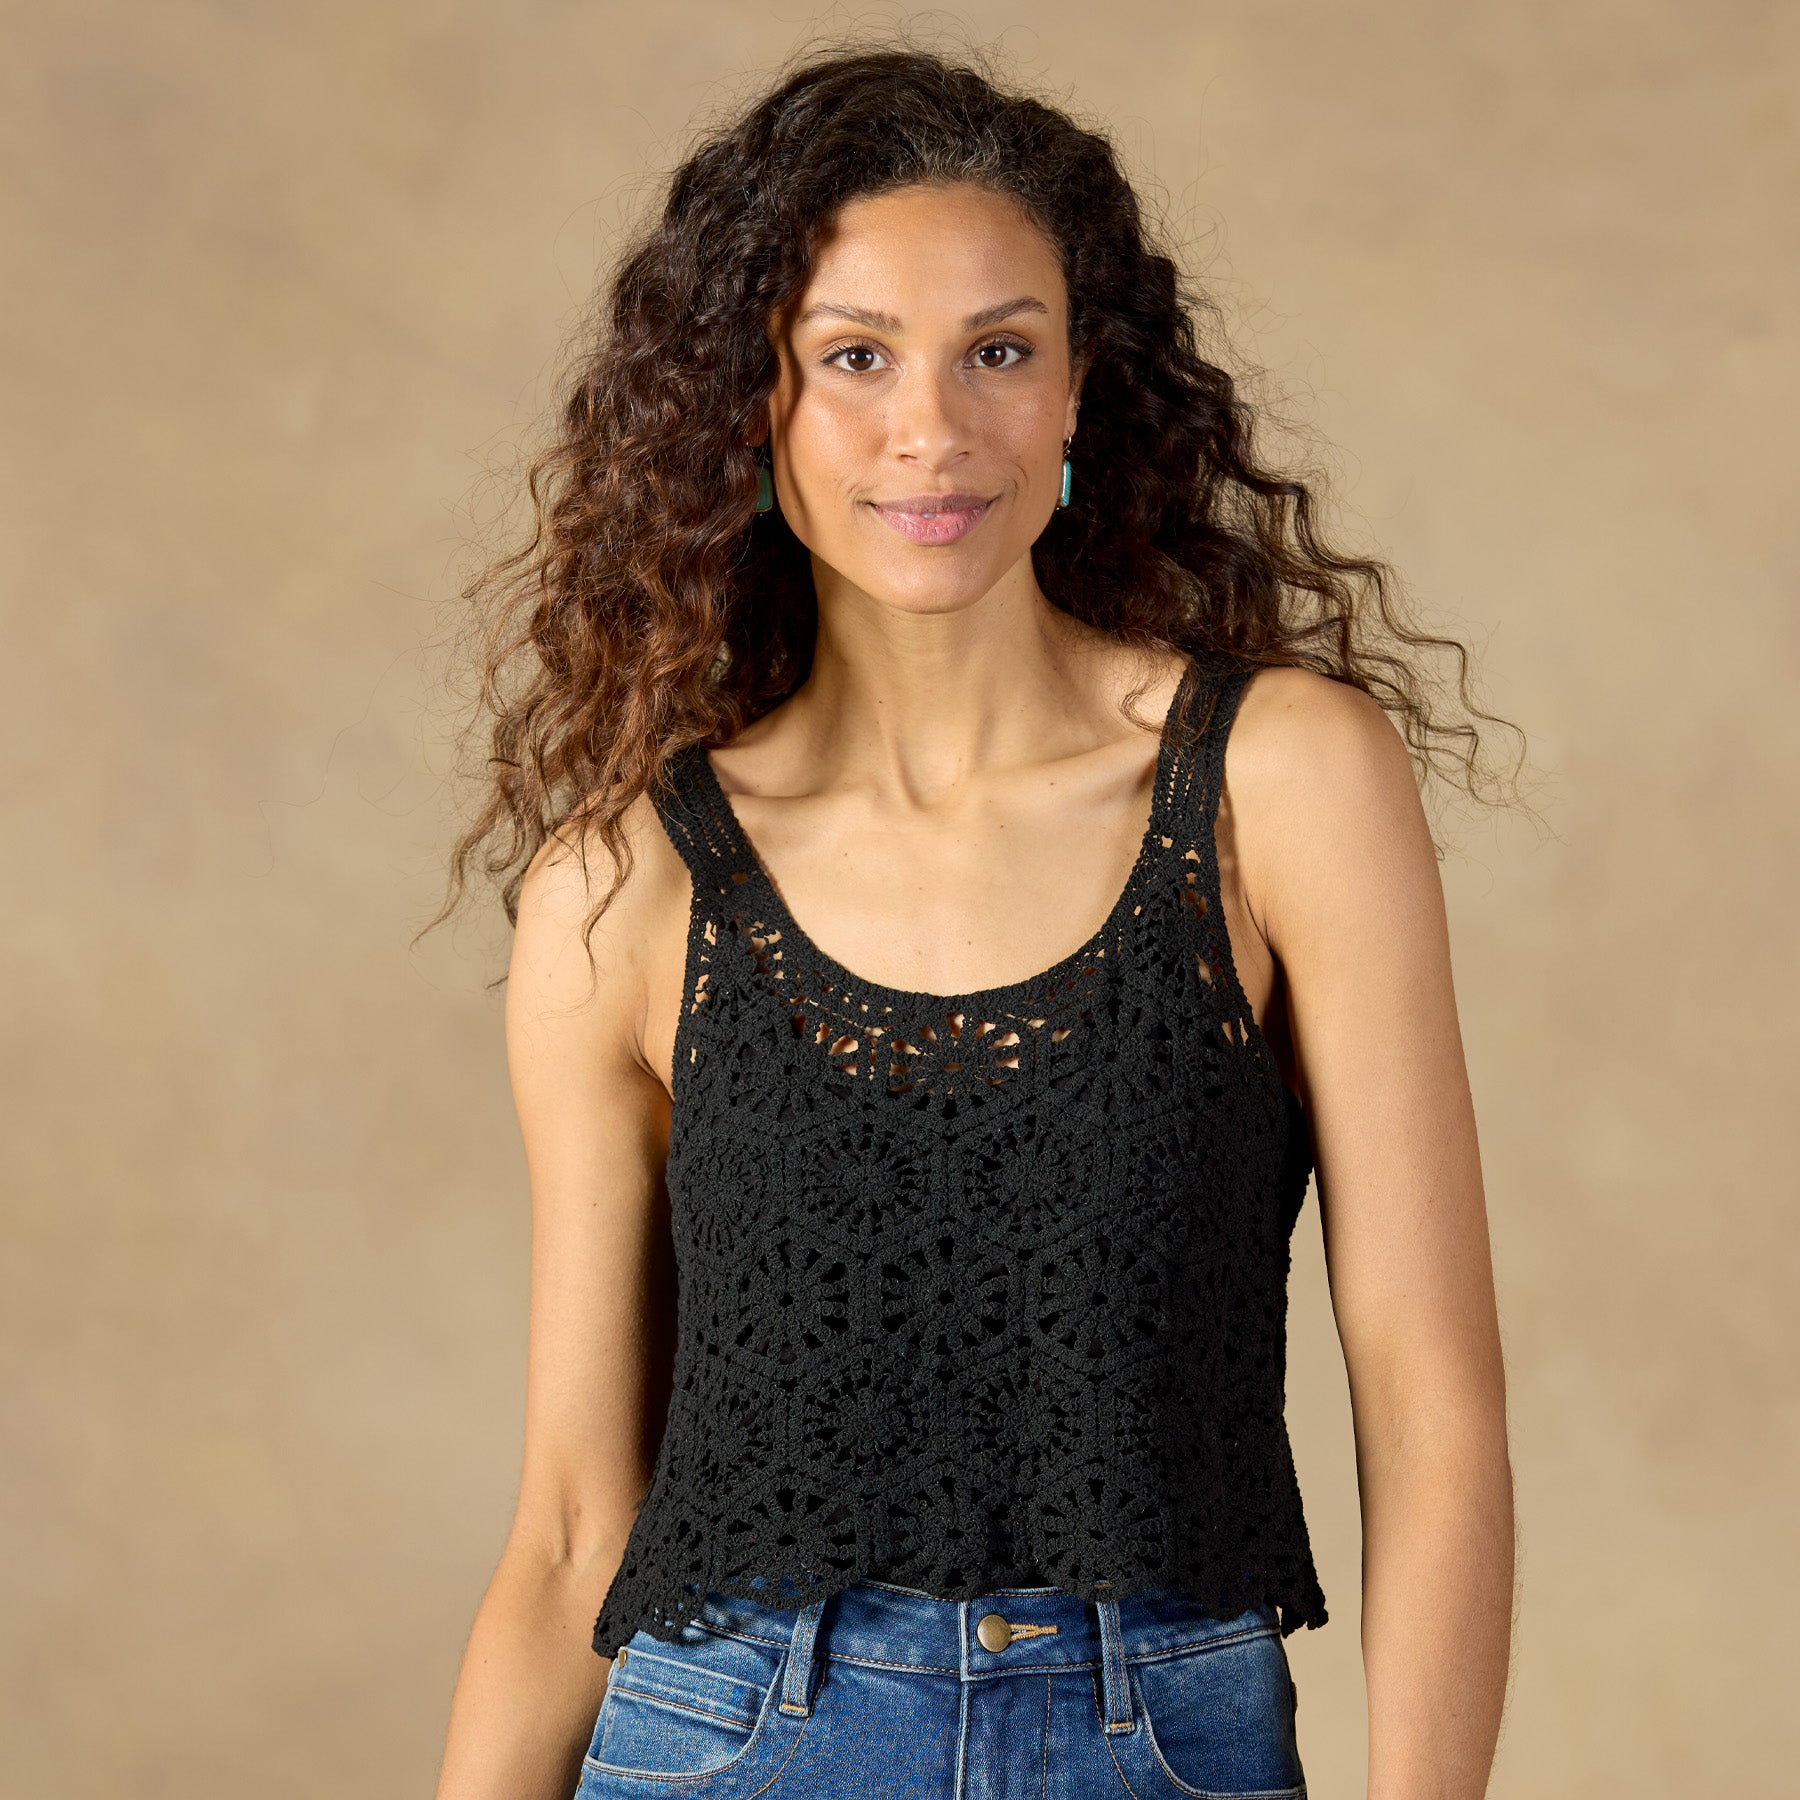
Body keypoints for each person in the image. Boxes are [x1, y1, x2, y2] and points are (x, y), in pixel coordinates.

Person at [427, 42, 1518, 1800]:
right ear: (750, 404)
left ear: (1084, 387)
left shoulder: (1281, 784)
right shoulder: (623, 887)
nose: (931, 429)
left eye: (998, 351)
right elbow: (570, 1534)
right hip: (728, 1743)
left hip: (1163, 1742)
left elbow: (1433, 1410)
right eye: (854, 357)